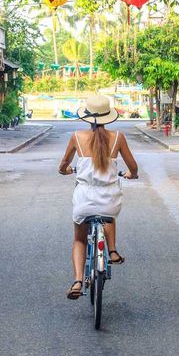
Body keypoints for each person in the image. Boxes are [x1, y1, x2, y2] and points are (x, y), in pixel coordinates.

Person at [58, 94, 138, 300]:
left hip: (84, 199)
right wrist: (132, 175)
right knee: (108, 215)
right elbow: (133, 167)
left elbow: (62, 166)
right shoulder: (118, 138)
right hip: (110, 199)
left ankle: (77, 281)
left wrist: (67, 170)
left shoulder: (76, 137)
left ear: (86, 116)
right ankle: (112, 250)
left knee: (79, 239)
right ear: (108, 116)